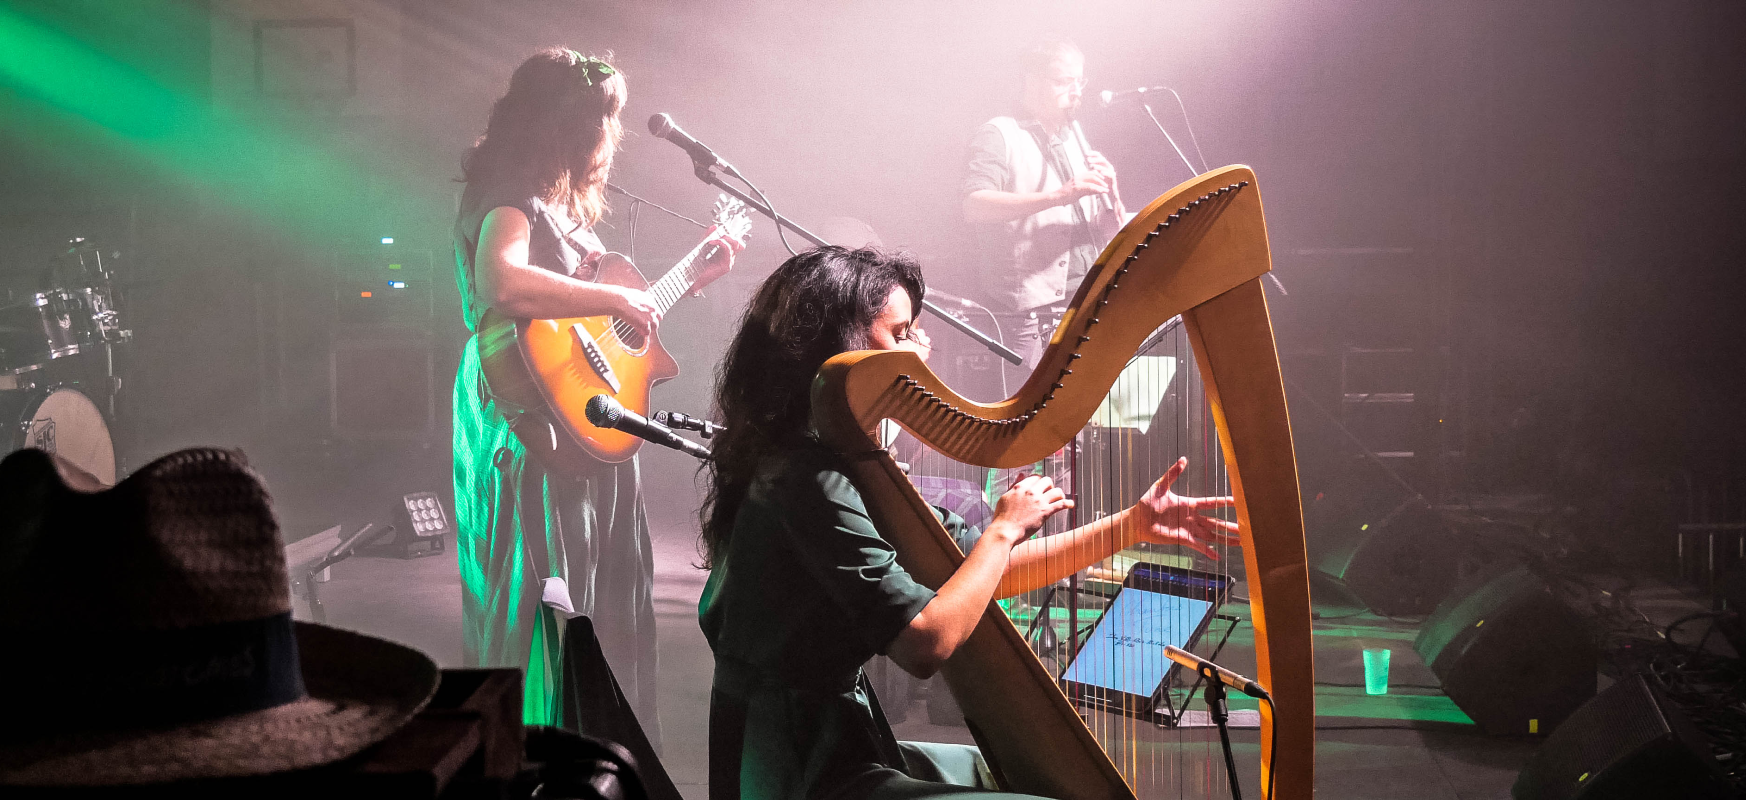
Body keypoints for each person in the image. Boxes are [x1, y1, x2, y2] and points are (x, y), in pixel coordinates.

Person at [698, 246, 1235, 799]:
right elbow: (924, 644)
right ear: (838, 347)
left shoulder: (829, 462)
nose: (916, 350)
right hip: (796, 768)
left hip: (835, 737)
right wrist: (1004, 529)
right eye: (900, 332)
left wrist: (1131, 525)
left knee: (1008, 769)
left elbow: (981, 571)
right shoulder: (805, 477)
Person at [450, 48, 739, 726]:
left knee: (598, 585)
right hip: (525, 411)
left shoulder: (551, 202)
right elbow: (501, 282)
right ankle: (539, 747)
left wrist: (689, 281)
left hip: (581, 411)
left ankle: (597, 743)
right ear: (565, 126)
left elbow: (605, 334)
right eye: (602, 121)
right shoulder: (510, 193)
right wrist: (606, 302)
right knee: (542, 582)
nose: (611, 138)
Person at [961, 38, 1123, 355]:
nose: (1075, 90)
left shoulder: (1076, 137)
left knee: (1082, 402)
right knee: (1029, 403)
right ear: (1031, 81)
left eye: (1080, 80)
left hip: (1084, 300)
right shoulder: (1000, 133)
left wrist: (1113, 193)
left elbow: (1107, 230)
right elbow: (974, 206)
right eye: (1063, 81)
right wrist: (1060, 195)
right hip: (1030, 312)